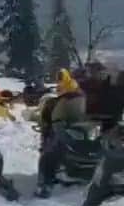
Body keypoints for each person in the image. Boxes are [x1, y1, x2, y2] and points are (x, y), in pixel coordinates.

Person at [36, 69, 89, 198]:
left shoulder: (65, 92)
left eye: (59, 78)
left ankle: (45, 184)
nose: (58, 81)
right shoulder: (79, 91)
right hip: (82, 127)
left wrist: (48, 125)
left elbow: (55, 116)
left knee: (48, 155)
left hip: (66, 126)